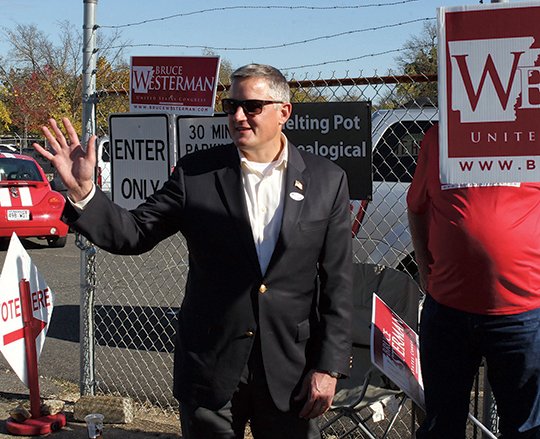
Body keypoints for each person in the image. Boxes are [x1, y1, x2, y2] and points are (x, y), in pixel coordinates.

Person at [34, 64, 353, 439]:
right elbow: (134, 233)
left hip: (290, 368)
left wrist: (328, 368)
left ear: (284, 111)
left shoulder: (327, 180)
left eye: (251, 106)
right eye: (230, 105)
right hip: (211, 366)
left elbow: (338, 283)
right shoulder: (197, 173)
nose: (237, 116)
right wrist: (84, 194)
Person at [407, 123, 540, 439]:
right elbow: (417, 208)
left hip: (522, 316)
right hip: (448, 312)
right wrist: (427, 273)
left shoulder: (531, 133)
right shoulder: (440, 138)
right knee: (442, 425)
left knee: (525, 429)